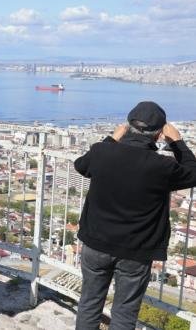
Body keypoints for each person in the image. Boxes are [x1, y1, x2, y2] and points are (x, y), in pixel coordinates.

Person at [74, 102, 196, 329]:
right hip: (136, 250)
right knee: (125, 313)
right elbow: (193, 172)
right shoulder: (162, 166)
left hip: (96, 242)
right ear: (159, 134)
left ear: (128, 126)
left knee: (89, 303)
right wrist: (177, 142)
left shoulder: (102, 152)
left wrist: (111, 139)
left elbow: (81, 165)